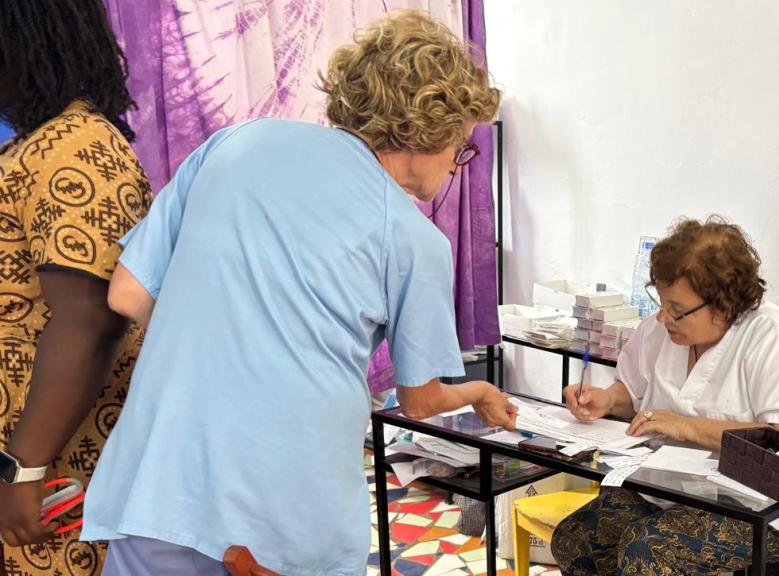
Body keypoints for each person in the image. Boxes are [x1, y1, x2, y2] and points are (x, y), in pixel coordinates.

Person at [81, 11, 514, 576]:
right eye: (460, 147)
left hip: (164, 477)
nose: (458, 166)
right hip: (285, 504)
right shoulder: (413, 239)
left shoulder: (237, 143)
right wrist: (479, 389)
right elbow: (421, 401)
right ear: (426, 130)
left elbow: (128, 295)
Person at [553, 216, 779, 575]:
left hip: (760, 506)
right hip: (665, 489)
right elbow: (630, 394)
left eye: (677, 310)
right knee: (576, 538)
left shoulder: (768, 334)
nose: (664, 318)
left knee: (647, 550)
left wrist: (686, 427)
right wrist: (606, 400)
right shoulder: (658, 330)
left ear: (725, 302)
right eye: (661, 303)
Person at [0, 1, 152, 574]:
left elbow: (91, 321)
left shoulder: (76, 147)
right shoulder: (34, 144)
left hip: (54, 467)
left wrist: (24, 468)